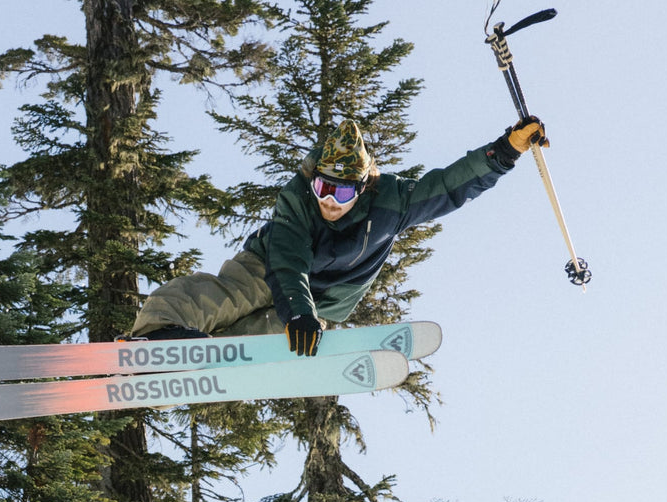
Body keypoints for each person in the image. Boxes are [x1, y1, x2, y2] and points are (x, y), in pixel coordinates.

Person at [128, 115, 547, 354]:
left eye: (341, 192)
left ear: (362, 188)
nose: (329, 200)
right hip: (271, 267)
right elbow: (288, 263)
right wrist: (299, 310)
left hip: (328, 297)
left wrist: (505, 150)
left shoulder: (393, 202)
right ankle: (158, 334)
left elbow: (450, 185)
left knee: (269, 339)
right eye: (323, 187)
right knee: (225, 296)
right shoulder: (297, 198)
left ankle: (194, 365)